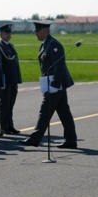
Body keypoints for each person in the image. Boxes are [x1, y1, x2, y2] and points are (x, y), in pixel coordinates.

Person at [22, 20, 78, 148]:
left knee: (45, 111)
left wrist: (54, 84)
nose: (36, 33)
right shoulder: (45, 44)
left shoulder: (53, 44)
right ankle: (71, 140)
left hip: (55, 85)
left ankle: (35, 139)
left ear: (45, 31)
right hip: (52, 84)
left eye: (38, 31)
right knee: (64, 113)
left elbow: (59, 66)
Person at [0, 23, 22, 134]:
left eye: (9, 33)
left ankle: (10, 125)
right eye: (6, 33)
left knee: (11, 104)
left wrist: (17, 78)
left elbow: (15, 64)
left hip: (12, 80)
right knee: (5, 104)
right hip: (5, 80)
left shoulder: (10, 46)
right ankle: (4, 127)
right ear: (0, 34)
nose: (8, 35)